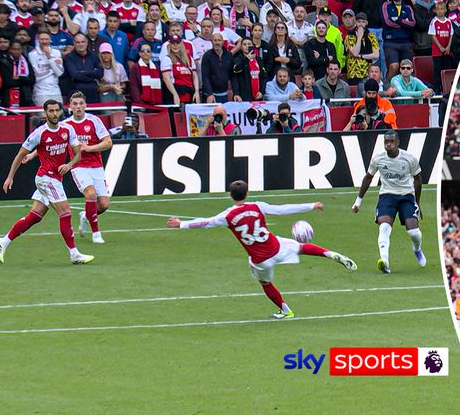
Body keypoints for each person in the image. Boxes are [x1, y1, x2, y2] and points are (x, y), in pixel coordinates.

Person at [166, 179, 357, 319]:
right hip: (275, 246)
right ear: (247, 194)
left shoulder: (228, 215)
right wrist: (311, 205)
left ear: (231, 196)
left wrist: (181, 224)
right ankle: (330, 254)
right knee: (301, 247)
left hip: (260, 259)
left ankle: (286, 310)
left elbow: (204, 223)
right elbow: (283, 209)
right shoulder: (258, 206)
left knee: (266, 284)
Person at [0, 99, 95, 265]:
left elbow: (78, 155)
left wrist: (69, 165)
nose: (55, 114)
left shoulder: (68, 129)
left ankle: (4, 241)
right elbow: (20, 154)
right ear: (45, 113)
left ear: (61, 111)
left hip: (56, 178)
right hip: (46, 178)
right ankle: (74, 254)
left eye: (57, 110)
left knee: (35, 216)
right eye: (51, 111)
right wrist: (10, 176)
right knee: (65, 212)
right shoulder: (39, 133)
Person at [351, 130, 425, 273]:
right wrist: (357, 202)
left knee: (413, 232)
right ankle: (385, 262)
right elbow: (368, 178)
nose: (388, 145)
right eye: (386, 142)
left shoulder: (409, 159)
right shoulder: (378, 159)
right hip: (387, 196)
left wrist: (417, 202)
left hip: (406, 196)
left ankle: (417, 249)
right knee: (384, 227)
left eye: (391, 142)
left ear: (398, 142)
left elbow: (418, 180)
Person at [62, 91, 113, 243]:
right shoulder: (66, 125)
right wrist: (32, 155)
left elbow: (108, 142)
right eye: (75, 104)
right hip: (78, 166)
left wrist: (89, 148)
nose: (78, 107)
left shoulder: (94, 121)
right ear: (70, 106)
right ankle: (96, 234)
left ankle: (85, 215)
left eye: (81, 104)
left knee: (103, 205)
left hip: (96, 165)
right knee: (90, 194)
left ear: (86, 105)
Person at [381, 0, 415, 81]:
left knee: (407, 69)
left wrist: (398, 20)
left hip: (406, 42)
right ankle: (387, 88)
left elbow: (412, 24)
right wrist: (404, 22)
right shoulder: (386, 6)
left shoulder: (408, 7)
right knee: (394, 67)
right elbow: (388, 22)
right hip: (391, 42)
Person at [160, 34, 198, 106]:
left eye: (177, 43)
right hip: (175, 92)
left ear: (181, 44)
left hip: (189, 92)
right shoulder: (167, 59)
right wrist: (175, 95)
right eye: (173, 43)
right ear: (169, 45)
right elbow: (166, 79)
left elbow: (194, 76)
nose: (175, 45)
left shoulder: (189, 58)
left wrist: (196, 91)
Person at [64, 32, 103, 103]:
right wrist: (92, 74)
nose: (80, 44)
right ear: (74, 43)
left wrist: (82, 72)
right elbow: (74, 75)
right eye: (78, 42)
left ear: (87, 42)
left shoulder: (94, 56)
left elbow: (100, 73)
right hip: (75, 94)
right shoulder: (69, 57)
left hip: (93, 94)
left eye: (82, 42)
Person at [28, 29, 64, 105]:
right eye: (42, 39)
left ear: (50, 39)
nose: (44, 42)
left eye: (46, 39)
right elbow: (36, 75)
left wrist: (49, 57)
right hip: (40, 91)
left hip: (55, 90)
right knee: (44, 116)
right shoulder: (32, 54)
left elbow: (59, 72)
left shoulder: (56, 52)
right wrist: (51, 70)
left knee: (59, 115)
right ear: (38, 39)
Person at [0, 40, 35, 107]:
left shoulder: (26, 61)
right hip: (8, 97)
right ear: (10, 50)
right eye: (14, 49)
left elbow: (32, 80)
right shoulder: (4, 62)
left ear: (22, 50)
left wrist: (20, 77)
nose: (16, 52)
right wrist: (25, 79)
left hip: (25, 96)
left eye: (18, 49)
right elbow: (8, 82)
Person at [344, 12, 379, 85]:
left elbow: (376, 55)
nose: (361, 24)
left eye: (363, 22)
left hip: (367, 72)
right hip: (354, 72)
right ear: (355, 22)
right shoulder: (349, 36)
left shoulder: (371, 36)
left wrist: (361, 56)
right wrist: (359, 37)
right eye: (359, 21)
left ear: (366, 23)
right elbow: (355, 53)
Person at [200, 32, 235, 104]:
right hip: (209, 95)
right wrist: (210, 94)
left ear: (223, 41)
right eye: (215, 40)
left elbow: (233, 76)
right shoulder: (207, 56)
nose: (217, 42)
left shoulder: (229, 55)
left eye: (219, 40)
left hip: (223, 94)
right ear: (211, 42)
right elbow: (205, 77)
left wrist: (236, 93)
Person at [428, 0, 453, 91]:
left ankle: (446, 88)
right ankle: (437, 89)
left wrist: (448, 47)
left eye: (442, 9)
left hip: (447, 51)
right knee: (437, 70)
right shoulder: (434, 22)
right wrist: (441, 47)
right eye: (438, 9)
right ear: (435, 10)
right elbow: (433, 35)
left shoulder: (448, 22)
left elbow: (451, 35)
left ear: (445, 10)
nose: (440, 11)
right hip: (437, 52)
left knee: (446, 69)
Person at [232, 37, 266, 101]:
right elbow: (235, 70)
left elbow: (264, 77)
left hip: (257, 95)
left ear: (253, 46)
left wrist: (262, 91)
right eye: (244, 44)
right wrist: (247, 59)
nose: (247, 46)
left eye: (249, 44)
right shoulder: (238, 59)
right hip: (243, 95)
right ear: (241, 47)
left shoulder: (258, 59)